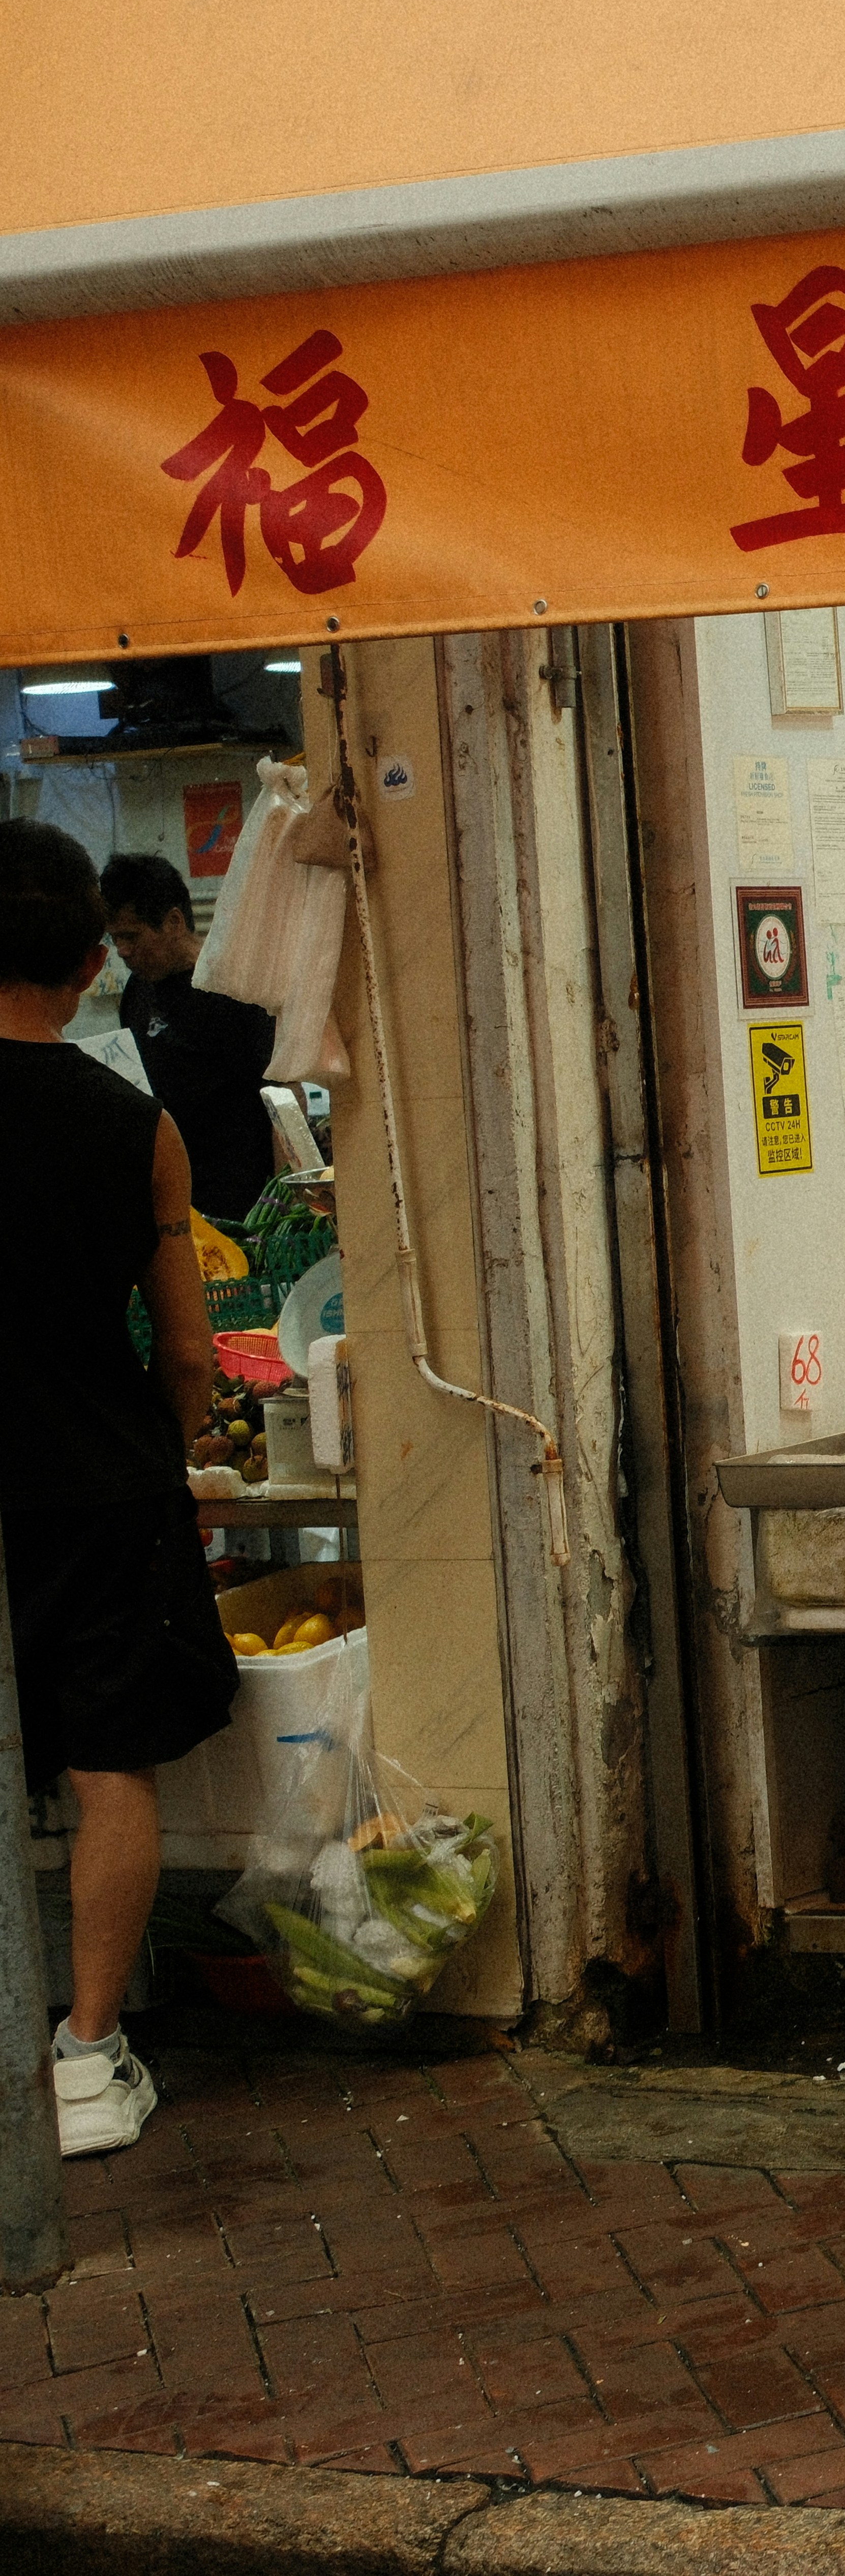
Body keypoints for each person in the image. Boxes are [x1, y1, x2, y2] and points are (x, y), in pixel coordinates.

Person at [2, 821, 240, 2161]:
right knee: (110, 1773)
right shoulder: (137, 1127)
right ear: (95, 962)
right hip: (95, 1482)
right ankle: (90, 2057)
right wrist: (190, 1434)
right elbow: (192, 1348)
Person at [100, 852, 284, 1225]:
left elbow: (282, 1097)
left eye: (132, 936)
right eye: (115, 938)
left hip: (242, 1206)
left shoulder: (235, 987)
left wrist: (283, 1204)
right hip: (173, 1201)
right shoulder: (138, 992)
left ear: (174, 922)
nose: (122, 951)